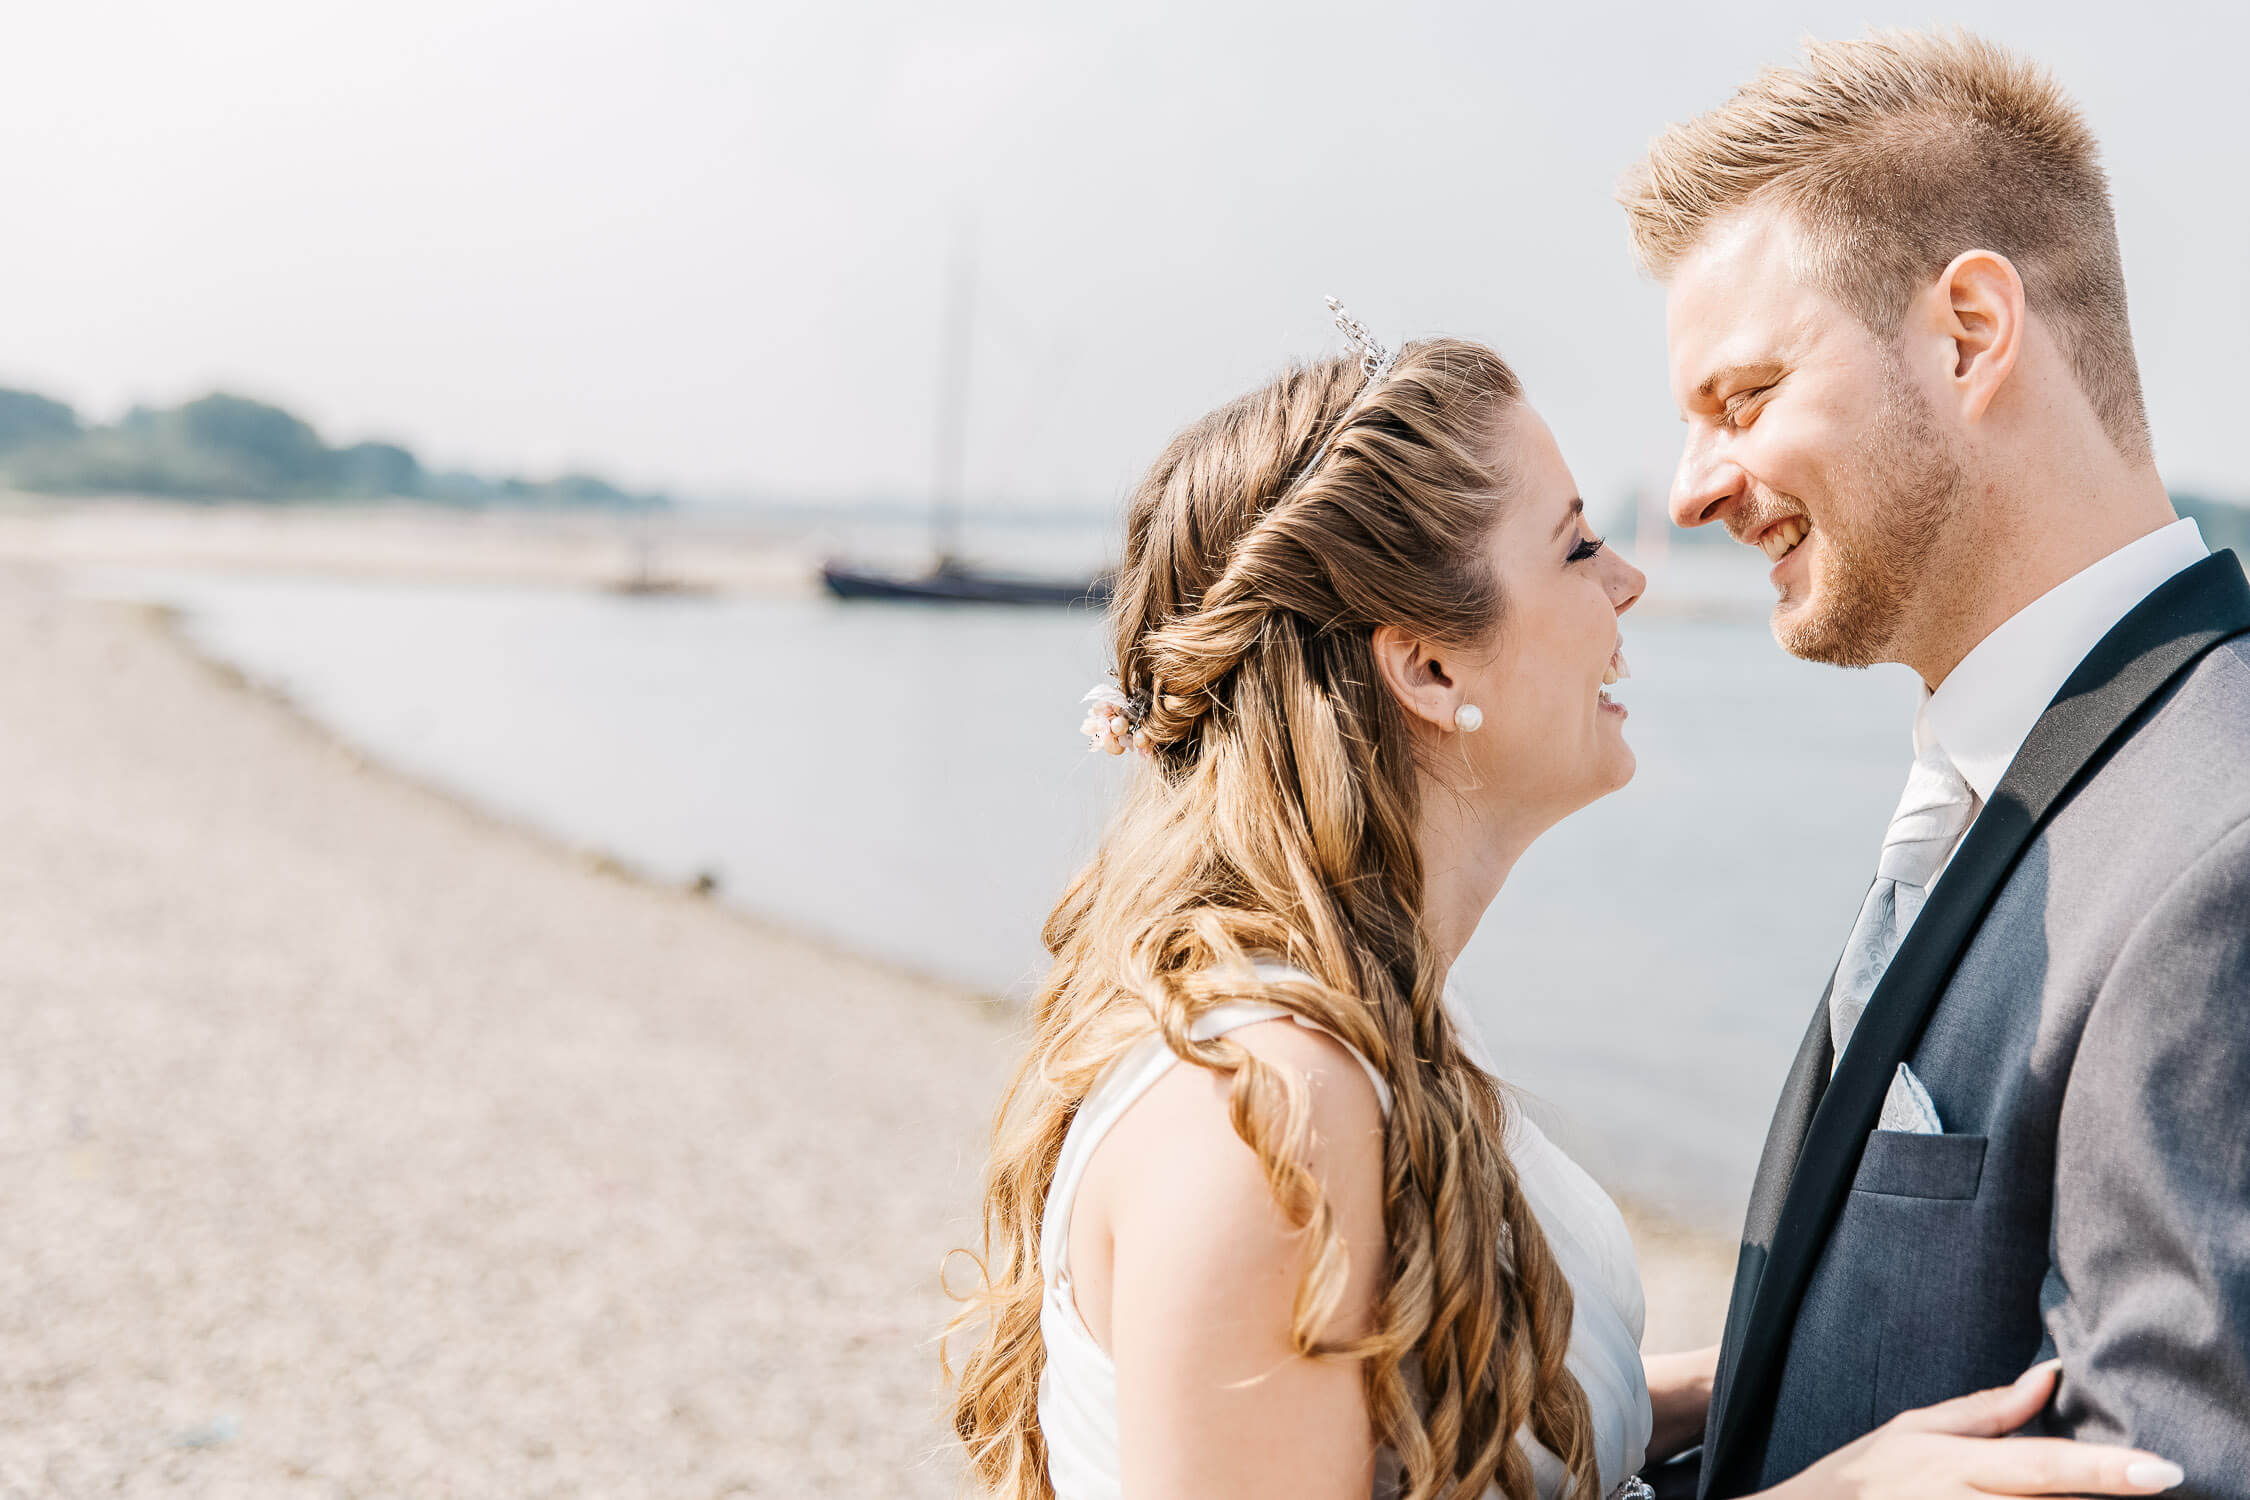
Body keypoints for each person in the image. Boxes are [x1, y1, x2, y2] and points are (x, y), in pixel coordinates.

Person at [942, 304, 2183, 1499]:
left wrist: (1850, 1386)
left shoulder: (1361, 1025)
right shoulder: (1261, 1110)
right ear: (1428, 666)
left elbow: (1448, 1421)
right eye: (1580, 546)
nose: (1633, 581)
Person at [1619, 29, 2250, 1500]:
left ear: (1968, 331)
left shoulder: (2216, 844)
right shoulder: (2022, 785)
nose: (1694, 485)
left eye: (1741, 396)